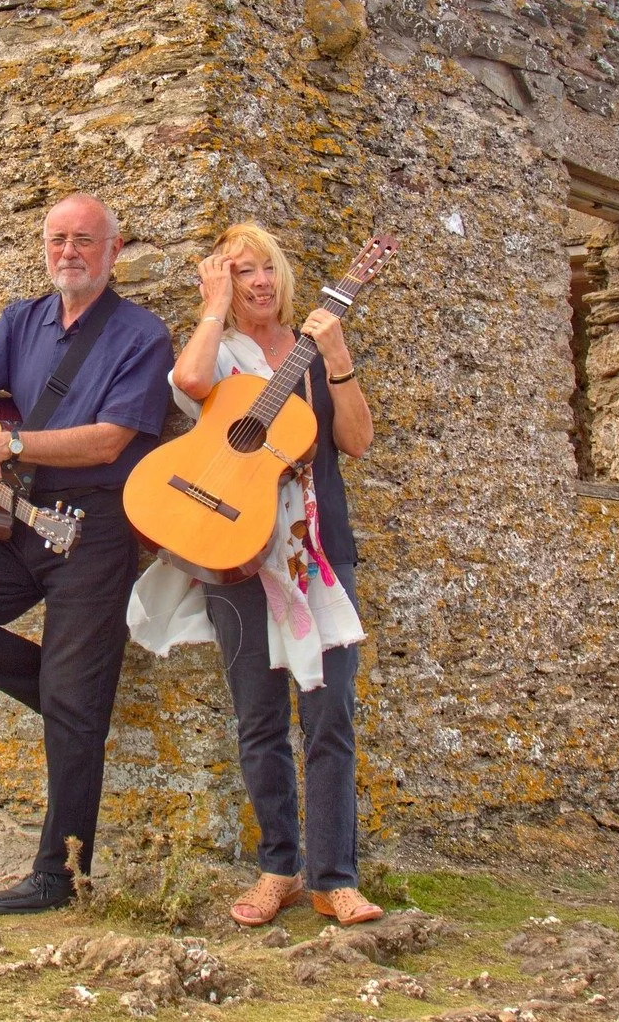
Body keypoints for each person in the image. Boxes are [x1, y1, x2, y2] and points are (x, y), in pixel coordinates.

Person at [0, 193, 174, 915]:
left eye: (85, 240)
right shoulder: (20, 318)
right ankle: (76, 702)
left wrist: (14, 442)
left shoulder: (142, 336)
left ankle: (58, 875)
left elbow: (112, 439)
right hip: (14, 522)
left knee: (71, 700)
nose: (69, 252)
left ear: (113, 250)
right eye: (58, 239)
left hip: (95, 528)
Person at [127, 221, 382, 927]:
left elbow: (356, 441)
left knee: (331, 718)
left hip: (319, 553)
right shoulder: (225, 354)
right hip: (234, 552)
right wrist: (211, 308)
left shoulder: (314, 348)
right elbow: (188, 381)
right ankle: (279, 869)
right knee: (259, 720)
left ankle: (336, 877)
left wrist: (338, 356)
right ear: (227, 283)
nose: (260, 282)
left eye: (267, 267)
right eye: (242, 272)